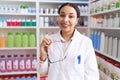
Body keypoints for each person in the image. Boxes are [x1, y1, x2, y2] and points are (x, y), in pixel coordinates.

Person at [40, 3, 99, 80]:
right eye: (62, 15)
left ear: (76, 20)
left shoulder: (86, 42)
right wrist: (43, 55)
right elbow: (42, 72)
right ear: (58, 17)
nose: (65, 20)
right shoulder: (49, 41)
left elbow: (92, 75)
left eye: (71, 16)